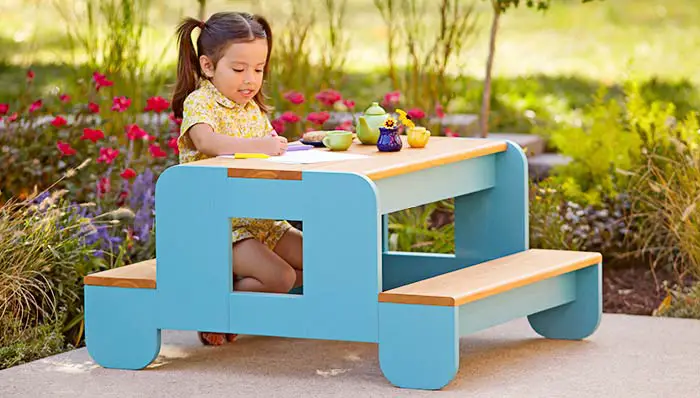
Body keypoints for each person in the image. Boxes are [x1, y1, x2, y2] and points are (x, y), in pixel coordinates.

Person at [172, 12, 303, 346]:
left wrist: (299, 146)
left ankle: (237, 303)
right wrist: (260, 146)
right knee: (282, 277)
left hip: (261, 220)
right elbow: (206, 142)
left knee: (323, 260)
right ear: (208, 66)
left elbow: (272, 149)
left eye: (258, 70)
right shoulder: (201, 101)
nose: (250, 80)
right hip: (219, 227)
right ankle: (214, 307)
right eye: (239, 69)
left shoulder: (252, 109)